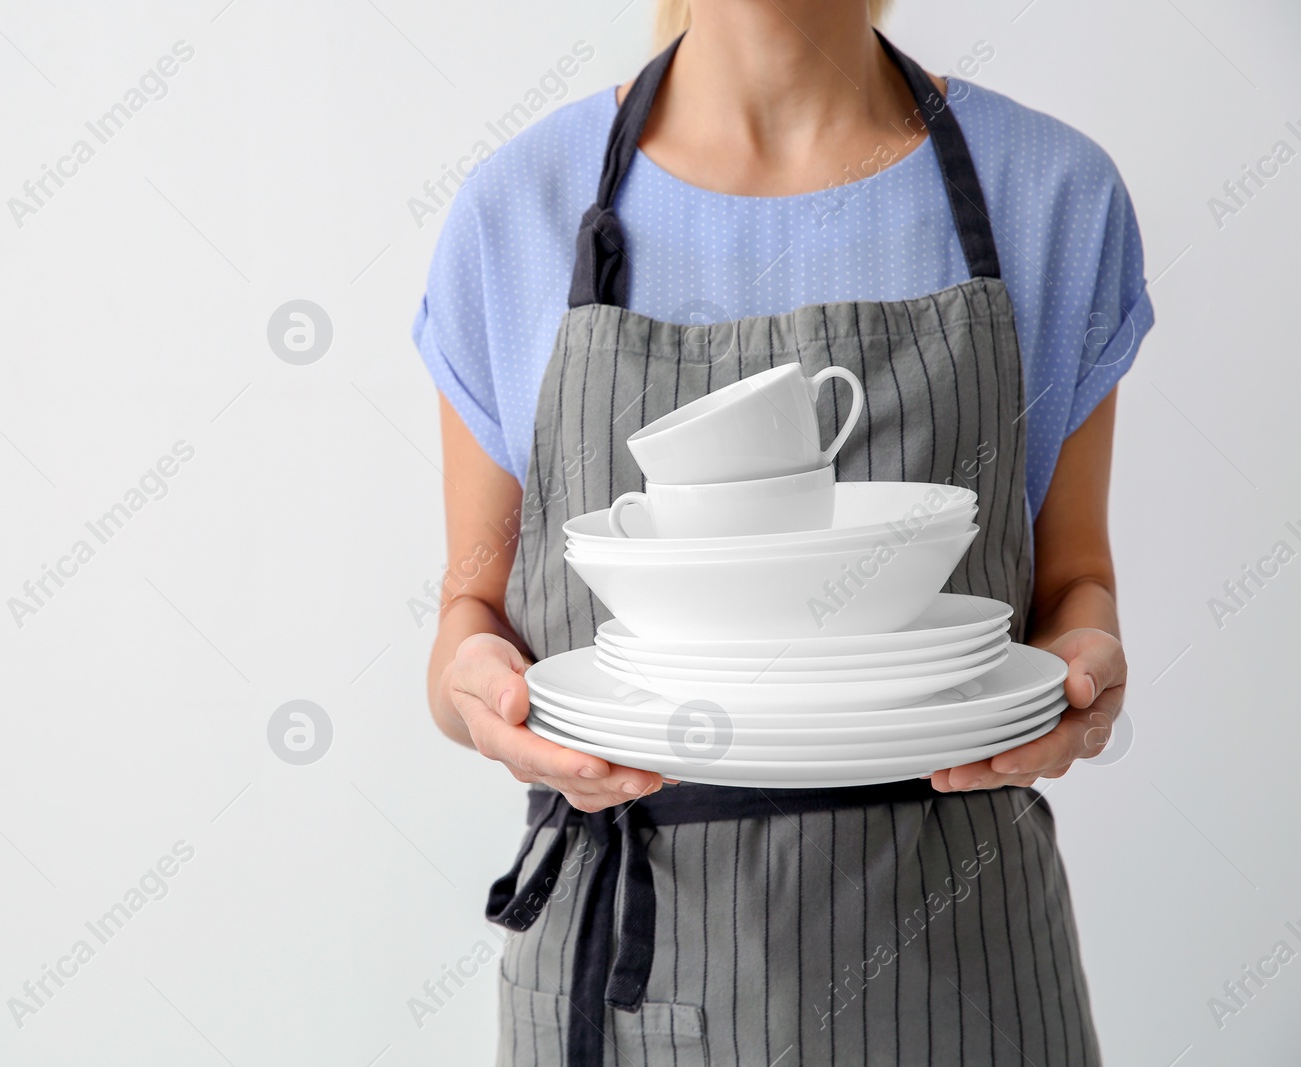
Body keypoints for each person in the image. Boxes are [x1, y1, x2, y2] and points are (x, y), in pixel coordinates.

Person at [413, 1, 1145, 1062]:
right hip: (630, 970)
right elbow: (467, 617)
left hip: (966, 976)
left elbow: (1074, 580)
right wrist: (475, 689)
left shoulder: (1054, 195)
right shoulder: (516, 210)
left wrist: (1079, 677)